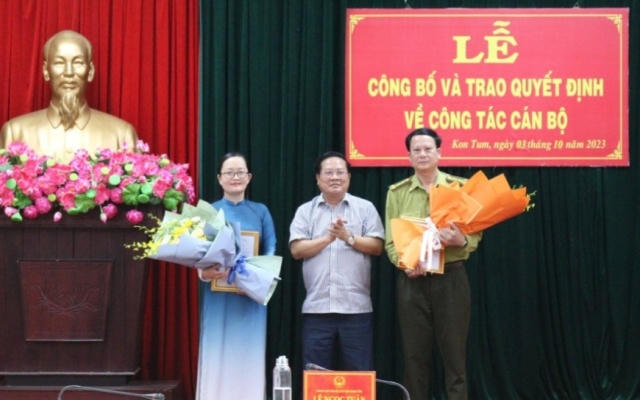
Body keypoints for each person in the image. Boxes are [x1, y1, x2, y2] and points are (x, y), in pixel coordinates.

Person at [385, 128, 482, 400]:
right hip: (412, 282)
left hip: (451, 280)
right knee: (414, 358)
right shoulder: (396, 193)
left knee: (455, 358)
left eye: (428, 149)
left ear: (439, 153)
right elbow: (391, 243)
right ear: (409, 157)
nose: (423, 154)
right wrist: (404, 264)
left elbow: (475, 234)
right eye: (416, 150)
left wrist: (461, 241)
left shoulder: (459, 188)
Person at [289, 151, 384, 371]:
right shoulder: (305, 211)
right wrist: (328, 239)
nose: (335, 177)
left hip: (356, 310)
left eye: (340, 172)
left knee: (359, 375)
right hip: (317, 310)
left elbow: (377, 246)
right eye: (329, 172)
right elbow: (296, 249)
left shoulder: (365, 208)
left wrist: (348, 237)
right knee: (316, 376)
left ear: (349, 177)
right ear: (318, 178)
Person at [196, 152, 276, 400]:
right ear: (219, 178)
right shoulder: (209, 211)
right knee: (216, 352)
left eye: (240, 172)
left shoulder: (261, 211)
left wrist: (253, 281)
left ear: (249, 177)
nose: (235, 177)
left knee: (248, 356)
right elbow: (197, 252)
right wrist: (204, 273)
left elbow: (271, 250)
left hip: (250, 296)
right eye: (229, 172)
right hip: (218, 298)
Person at [0, 30, 138, 162]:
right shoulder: (16, 133)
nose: (69, 72)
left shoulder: (121, 134)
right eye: (59, 63)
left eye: (78, 63)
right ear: (46, 71)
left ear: (90, 71)